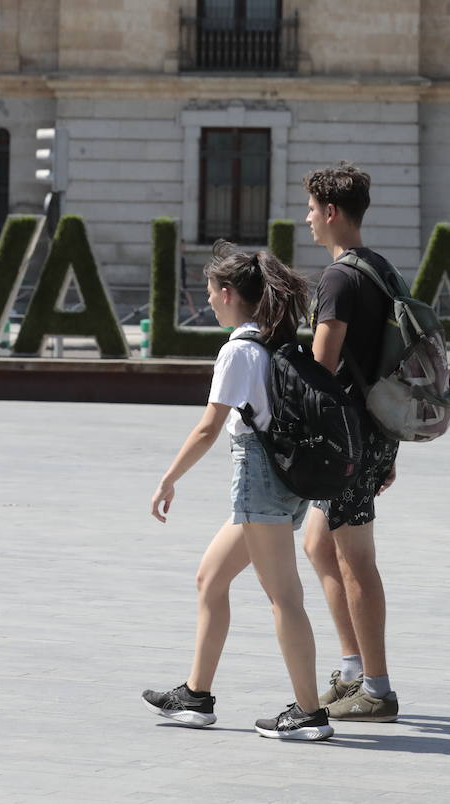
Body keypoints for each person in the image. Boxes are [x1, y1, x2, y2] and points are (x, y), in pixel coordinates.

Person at [141, 242, 333, 742]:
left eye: (210, 292)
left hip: (259, 477)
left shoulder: (238, 350)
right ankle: (195, 696)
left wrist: (168, 478)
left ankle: (309, 714)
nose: (208, 301)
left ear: (229, 294)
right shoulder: (276, 342)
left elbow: (210, 427)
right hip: (283, 478)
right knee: (210, 578)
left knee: (284, 597)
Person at [301, 162, 401, 723]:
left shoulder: (339, 278)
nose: (309, 219)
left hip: (347, 441)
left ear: (332, 212)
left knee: (355, 559)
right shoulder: (381, 269)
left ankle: (378, 689)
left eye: (313, 209)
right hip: (373, 434)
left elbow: (323, 367)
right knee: (318, 542)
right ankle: (352, 669)